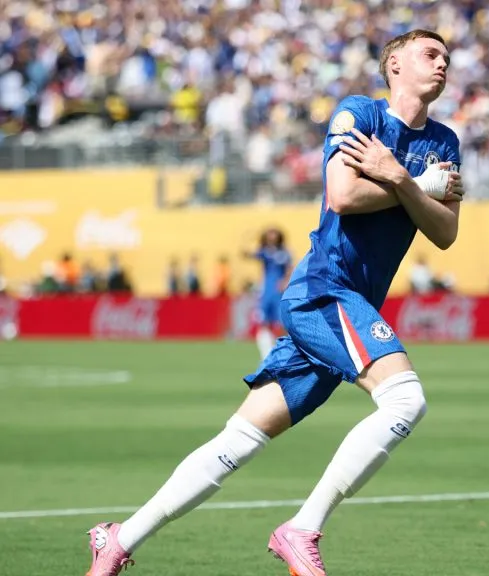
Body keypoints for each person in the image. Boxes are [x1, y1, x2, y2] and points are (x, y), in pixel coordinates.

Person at [85, 29, 465, 576]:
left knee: (238, 441)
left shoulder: (445, 143)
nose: (443, 63)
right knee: (405, 400)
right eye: (431, 54)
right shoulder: (359, 112)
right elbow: (342, 195)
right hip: (325, 290)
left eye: (447, 58)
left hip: (353, 302)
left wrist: (406, 180)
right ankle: (302, 528)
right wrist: (414, 184)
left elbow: (445, 231)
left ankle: (119, 538)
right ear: (395, 65)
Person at [242, 227, 293, 359]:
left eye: (274, 234)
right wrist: (246, 241)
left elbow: (290, 267)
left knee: (282, 323)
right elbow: (247, 254)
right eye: (269, 234)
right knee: (263, 322)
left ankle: (283, 351)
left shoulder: (284, 252)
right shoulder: (264, 252)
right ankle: (266, 353)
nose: (272, 237)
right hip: (266, 291)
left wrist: (286, 280)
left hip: (279, 292)